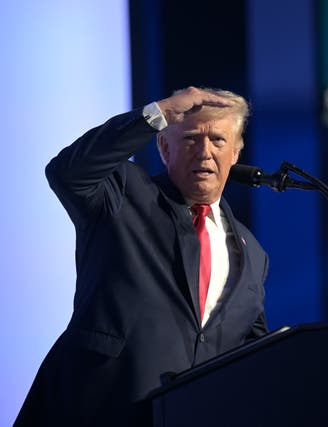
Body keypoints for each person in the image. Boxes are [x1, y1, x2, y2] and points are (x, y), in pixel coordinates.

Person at [15, 87, 269, 426]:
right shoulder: (121, 193)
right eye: (192, 138)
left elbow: (257, 354)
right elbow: (66, 172)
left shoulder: (253, 254)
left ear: (236, 152)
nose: (205, 152)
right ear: (164, 147)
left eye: (218, 141)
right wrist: (158, 113)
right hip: (96, 410)